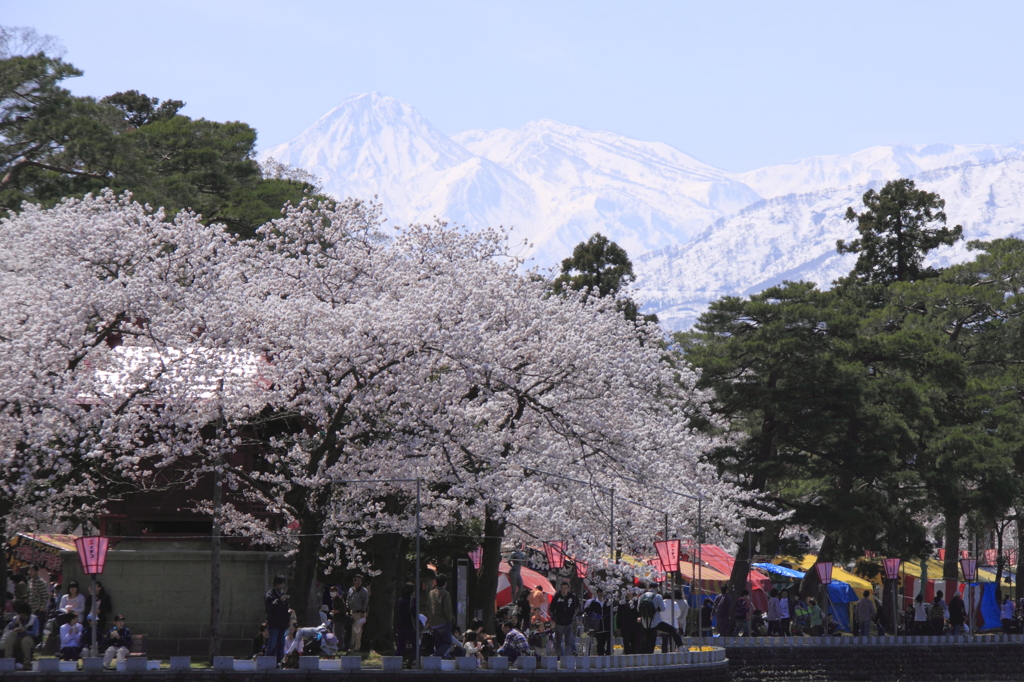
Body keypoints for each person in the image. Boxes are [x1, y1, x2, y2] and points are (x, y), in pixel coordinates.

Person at [639, 585, 683, 653]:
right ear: (656, 588)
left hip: (645, 622)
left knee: (648, 639)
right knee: (672, 630)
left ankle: (646, 655)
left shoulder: (642, 596)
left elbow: (638, 609)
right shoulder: (658, 596)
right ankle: (681, 647)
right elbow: (663, 609)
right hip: (656, 622)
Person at [2, 602, 40, 666]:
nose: (22, 617)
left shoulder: (34, 619)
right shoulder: (17, 618)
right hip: (18, 636)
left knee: (25, 641)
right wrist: (15, 624)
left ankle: (27, 662)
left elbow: (35, 633)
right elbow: (10, 627)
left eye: (24, 616)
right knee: (9, 640)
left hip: (30, 637)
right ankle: (8, 661)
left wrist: (25, 631)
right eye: (21, 615)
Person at [424, 573, 453, 657]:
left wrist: (429, 620)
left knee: (438, 644)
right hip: (443, 622)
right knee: (447, 642)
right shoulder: (445, 594)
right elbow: (447, 609)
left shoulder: (431, 593)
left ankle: (438, 661)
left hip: (433, 623)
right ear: (445, 583)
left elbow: (428, 607)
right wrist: (450, 619)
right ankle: (434, 656)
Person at [549, 581, 580, 657]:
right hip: (559, 622)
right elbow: (551, 608)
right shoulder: (557, 596)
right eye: (562, 588)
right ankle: (558, 657)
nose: (564, 590)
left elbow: (577, 607)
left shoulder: (572, 597)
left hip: (569, 622)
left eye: (565, 588)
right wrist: (553, 618)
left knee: (568, 641)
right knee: (558, 641)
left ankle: (567, 658)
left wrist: (574, 616)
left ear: (568, 588)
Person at [264, 575, 290, 665]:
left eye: (283, 584)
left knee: (281, 645)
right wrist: (279, 600)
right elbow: (270, 606)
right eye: (280, 584)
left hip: (282, 624)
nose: (282, 586)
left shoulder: (282, 594)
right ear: (276, 583)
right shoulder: (270, 594)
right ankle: (267, 662)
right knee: (272, 644)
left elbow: (286, 607)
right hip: (273, 623)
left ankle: (278, 663)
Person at [583, 588, 612, 655]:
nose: (601, 594)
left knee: (609, 644)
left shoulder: (608, 602)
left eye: (603, 592)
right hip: (598, 627)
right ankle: (601, 656)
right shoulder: (593, 603)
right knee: (600, 644)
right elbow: (587, 612)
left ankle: (608, 656)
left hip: (607, 626)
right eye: (600, 592)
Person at [347, 575, 369, 652]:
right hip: (352, 612)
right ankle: (352, 646)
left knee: (358, 631)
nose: (359, 582)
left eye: (360, 580)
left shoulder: (363, 591)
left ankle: (357, 647)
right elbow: (348, 600)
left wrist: (363, 611)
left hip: (359, 613)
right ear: (354, 581)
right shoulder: (351, 590)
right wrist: (348, 609)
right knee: (352, 631)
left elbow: (365, 601)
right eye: (357, 580)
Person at [395, 583, 416, 664]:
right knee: (414, 645)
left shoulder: (400, 599)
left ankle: (396, 662)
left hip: (401, 624)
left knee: (400, 645)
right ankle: (411, 660)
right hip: (409, 625)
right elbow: (413, 612)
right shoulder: (412, 600)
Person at [620, 589, 641, 654]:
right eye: (627, 591)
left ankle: (634, 656)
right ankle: (627, 656)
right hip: (625, 625)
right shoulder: (623, 602)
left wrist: (640, 618)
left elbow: (640, 612)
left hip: (635, 625)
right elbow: (619, 615)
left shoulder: (637, 602)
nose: (628, 593)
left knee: (634, 642)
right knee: (626, 642)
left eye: (630, 591)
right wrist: (618, 625)